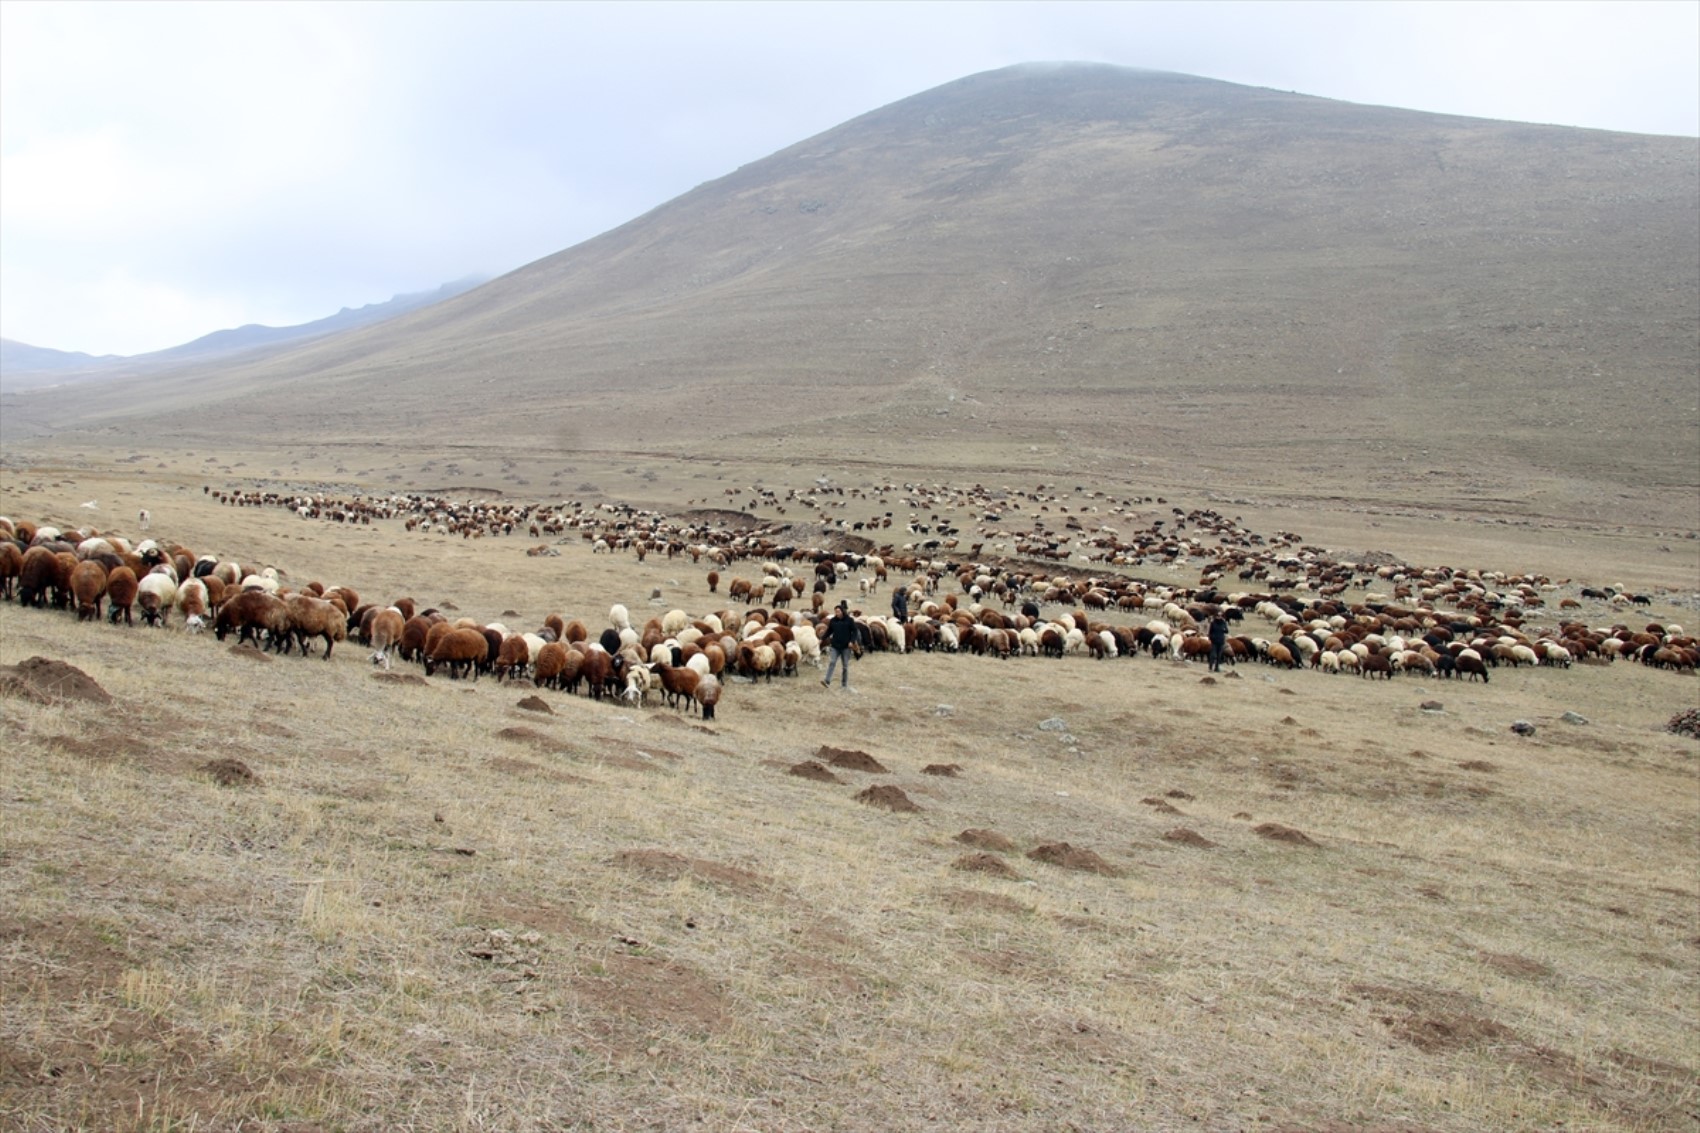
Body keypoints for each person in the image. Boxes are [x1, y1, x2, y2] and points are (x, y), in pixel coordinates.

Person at [822, 600, 857, 689]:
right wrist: (822, 639)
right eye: (836, 612)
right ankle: (827, 681)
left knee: (845, 666)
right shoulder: (833, 621)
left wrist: (852, 641)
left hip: (846, 647)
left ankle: (844, 684)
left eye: (838, 611)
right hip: (835, 646)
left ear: (842, 611)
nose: (837, 613)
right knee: (832, 662)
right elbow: (829, 631)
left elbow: (855, 631)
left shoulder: (849, 620)